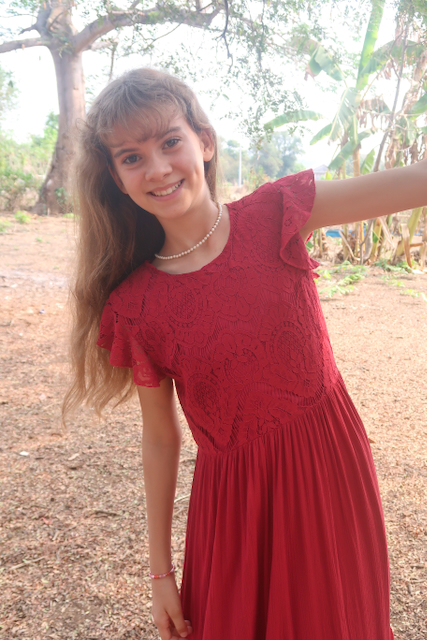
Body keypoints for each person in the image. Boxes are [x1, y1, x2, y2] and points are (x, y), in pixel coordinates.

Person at [63, 67, 427, 640]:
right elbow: (160, 438)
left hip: (330, 469)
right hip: (237, 506)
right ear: (116, 177)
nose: (157, 168)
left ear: (204, 142)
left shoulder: (277, 212)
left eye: (170, 141)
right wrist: (161, 573)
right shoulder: (136, 307)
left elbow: (414, 182)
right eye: (132, 157)